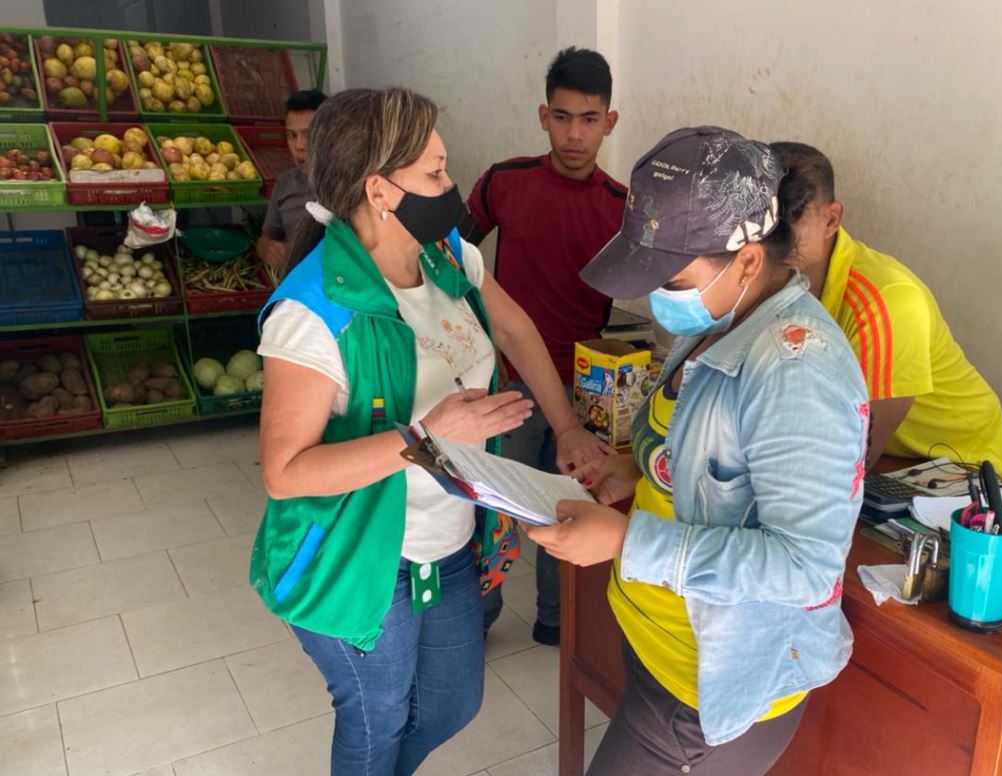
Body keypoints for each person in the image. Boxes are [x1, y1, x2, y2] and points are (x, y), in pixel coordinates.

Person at [251, 87, 605, 776]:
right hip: (364, 557)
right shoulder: (314, 309)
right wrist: (426, 434)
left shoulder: (443, 252)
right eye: (436, 173)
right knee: (375, 715)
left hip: (450, 539)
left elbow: (512, 327)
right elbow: (284, 472)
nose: (452, 186)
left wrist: (565, 426)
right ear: (379, 189)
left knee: (452, 704)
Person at [527, 127, 870, 775]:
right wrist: (630, 467)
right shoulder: (719, 321)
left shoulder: (798, 368)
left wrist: (626, 542)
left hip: (706, 688)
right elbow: (695, 451)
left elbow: (805, 567)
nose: (659, 296)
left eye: (673, 277)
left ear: (746, 259)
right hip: (661, 648)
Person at [462, 46, 621, 645]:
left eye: (588, 119)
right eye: (561, 117)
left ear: (610, 121)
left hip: (586, 390)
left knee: (569, 504)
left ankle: (559, 623)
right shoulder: (505, 182)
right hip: (505, 379)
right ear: (541, 115)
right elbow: (453, 258)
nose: (574, 133)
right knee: (493, 506)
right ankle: (477, 619)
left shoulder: (623, 208)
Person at [770, 141, 1002, 478]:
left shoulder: (887, 301)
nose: (771, 243)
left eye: (790, 225)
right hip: (890, 459)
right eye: (762, 227)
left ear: (831, 219)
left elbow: (854, 459)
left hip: (968, 466)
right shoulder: (769, 275)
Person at [256, 89, 326, 272]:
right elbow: (266, 238)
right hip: (298, 289)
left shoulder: (353, 185)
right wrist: (268, 249)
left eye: (308, 134)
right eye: (291, 135)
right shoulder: (286, 183)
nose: (299, 146)